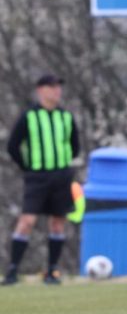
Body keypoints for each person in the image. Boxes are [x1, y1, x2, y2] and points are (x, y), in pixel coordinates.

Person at [3, 74, 80, 286]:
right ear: (41, 90)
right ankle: (12, 270)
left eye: (58, 87)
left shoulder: (66, 117)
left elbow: (75, 146)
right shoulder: (29, 117)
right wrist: (27, 167)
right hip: (37, 176)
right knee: (27, 220)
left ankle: (52, 271)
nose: (57, 91)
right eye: (52, 87)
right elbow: (13, 146)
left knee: (57, 223)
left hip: (61, 175)